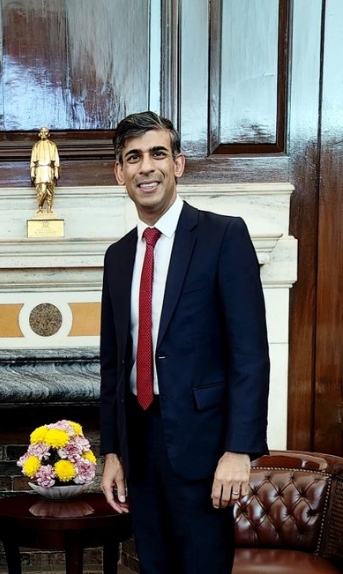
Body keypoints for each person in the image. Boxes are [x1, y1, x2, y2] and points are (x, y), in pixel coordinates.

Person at [99, 112, 270, 573]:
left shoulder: (223, 236)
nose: (145, 167)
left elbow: (250, 354)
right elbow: (113, 365)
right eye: (132, 158)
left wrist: (239, 450)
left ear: (178, 164)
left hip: (205, 449)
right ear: (120, 173)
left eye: (157, 154)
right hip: (140, 445)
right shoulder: (117, 257)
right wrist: (112, 452)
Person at [30, 127, 60, 214]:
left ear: (48, 134)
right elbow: (33, 160)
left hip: (49, 169)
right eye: (42, 132)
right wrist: (32, 171)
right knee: (42, 190)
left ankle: (49, 208)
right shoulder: (36, 145)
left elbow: (56, 159)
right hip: (40, 169)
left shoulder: (52, 145)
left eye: (45, 132)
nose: (43, 133)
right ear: (39, 134)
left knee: (50, 190)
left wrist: (56, 171)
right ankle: (40, 207)